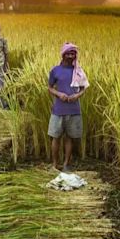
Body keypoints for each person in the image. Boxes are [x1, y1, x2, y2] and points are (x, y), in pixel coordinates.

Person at [48, 43, 89, 172]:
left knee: (69, 137)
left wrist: (76, 96)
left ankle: (66, 164)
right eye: (68, 53)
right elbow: (49, 88)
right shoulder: (55, 70)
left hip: (74, 109)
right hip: (58, 110)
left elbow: (83, 89)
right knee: (56, 137)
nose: (71, 56)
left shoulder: (79, 72)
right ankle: (55, 164)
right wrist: (59, 94)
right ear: (63, 54)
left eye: (73, 53)